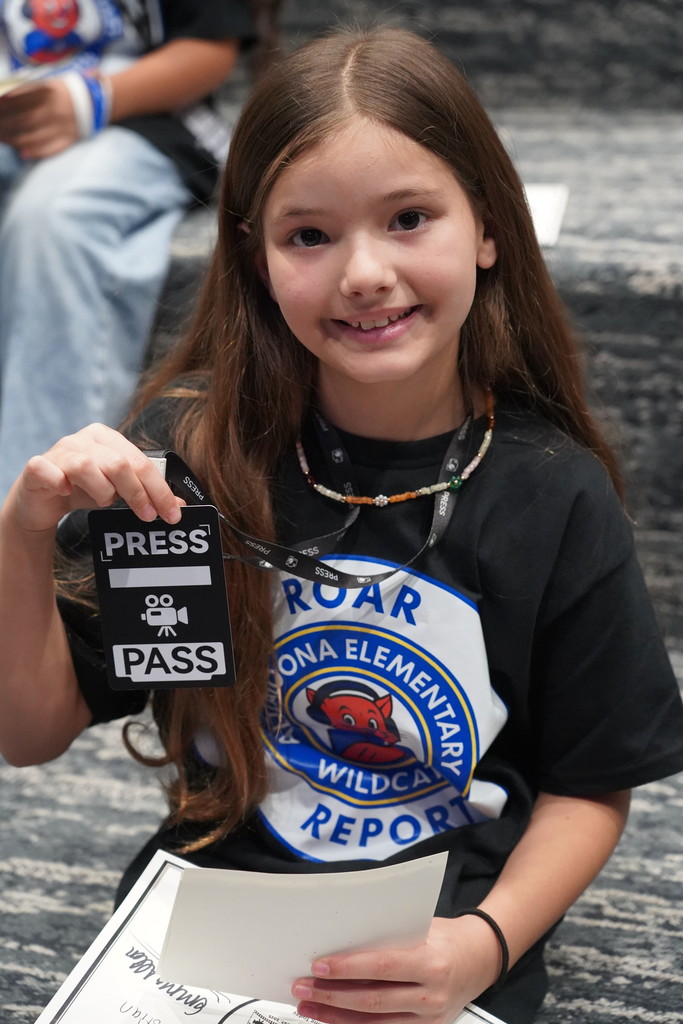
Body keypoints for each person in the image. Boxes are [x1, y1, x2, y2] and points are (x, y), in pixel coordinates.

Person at [1, 25, 682, 1024]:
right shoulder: (186, 462)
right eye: (308, 236)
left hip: (438, 941)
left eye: (408, 218)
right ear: (257, 258)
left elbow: (590, 786)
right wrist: (20, 531)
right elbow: (29, 733)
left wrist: (479, 944)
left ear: (488, 227)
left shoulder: (551, 495)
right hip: (199, 932)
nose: (362, 272)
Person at [0, 0, 262, 502]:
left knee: (52, 217)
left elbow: (211, 47)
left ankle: (48, 520)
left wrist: (91, 98)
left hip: (140, 115)